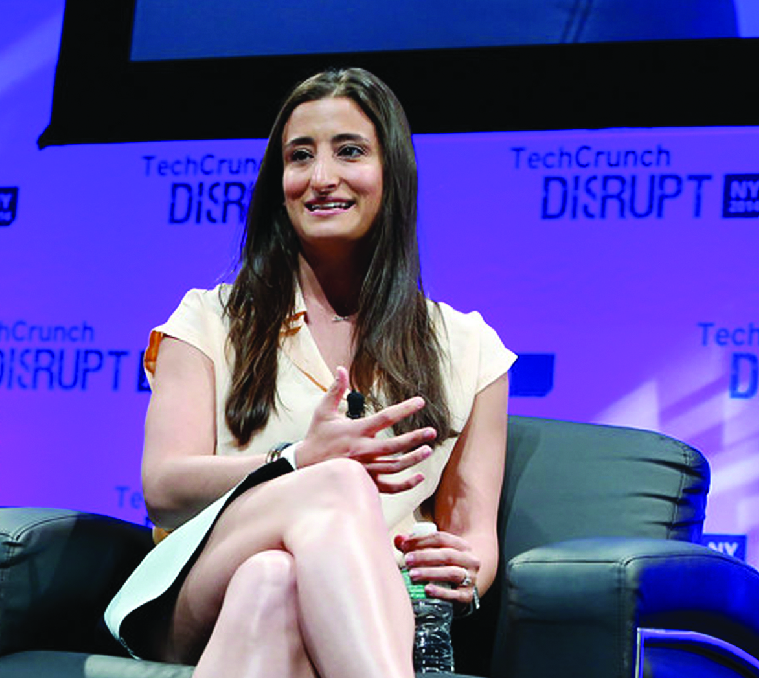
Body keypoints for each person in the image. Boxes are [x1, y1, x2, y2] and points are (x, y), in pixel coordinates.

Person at [103, 68, 513, 677]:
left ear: (391, 174)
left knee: (273, 583)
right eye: (300, 157)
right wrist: (299, 461)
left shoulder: (469, 347)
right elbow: (162, 489)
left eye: (349, 151)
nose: (321, 178)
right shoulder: (207, 319)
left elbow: (474, 535)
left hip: (375, 598)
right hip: (201, 583)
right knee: (337, 485)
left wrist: (464, 568)